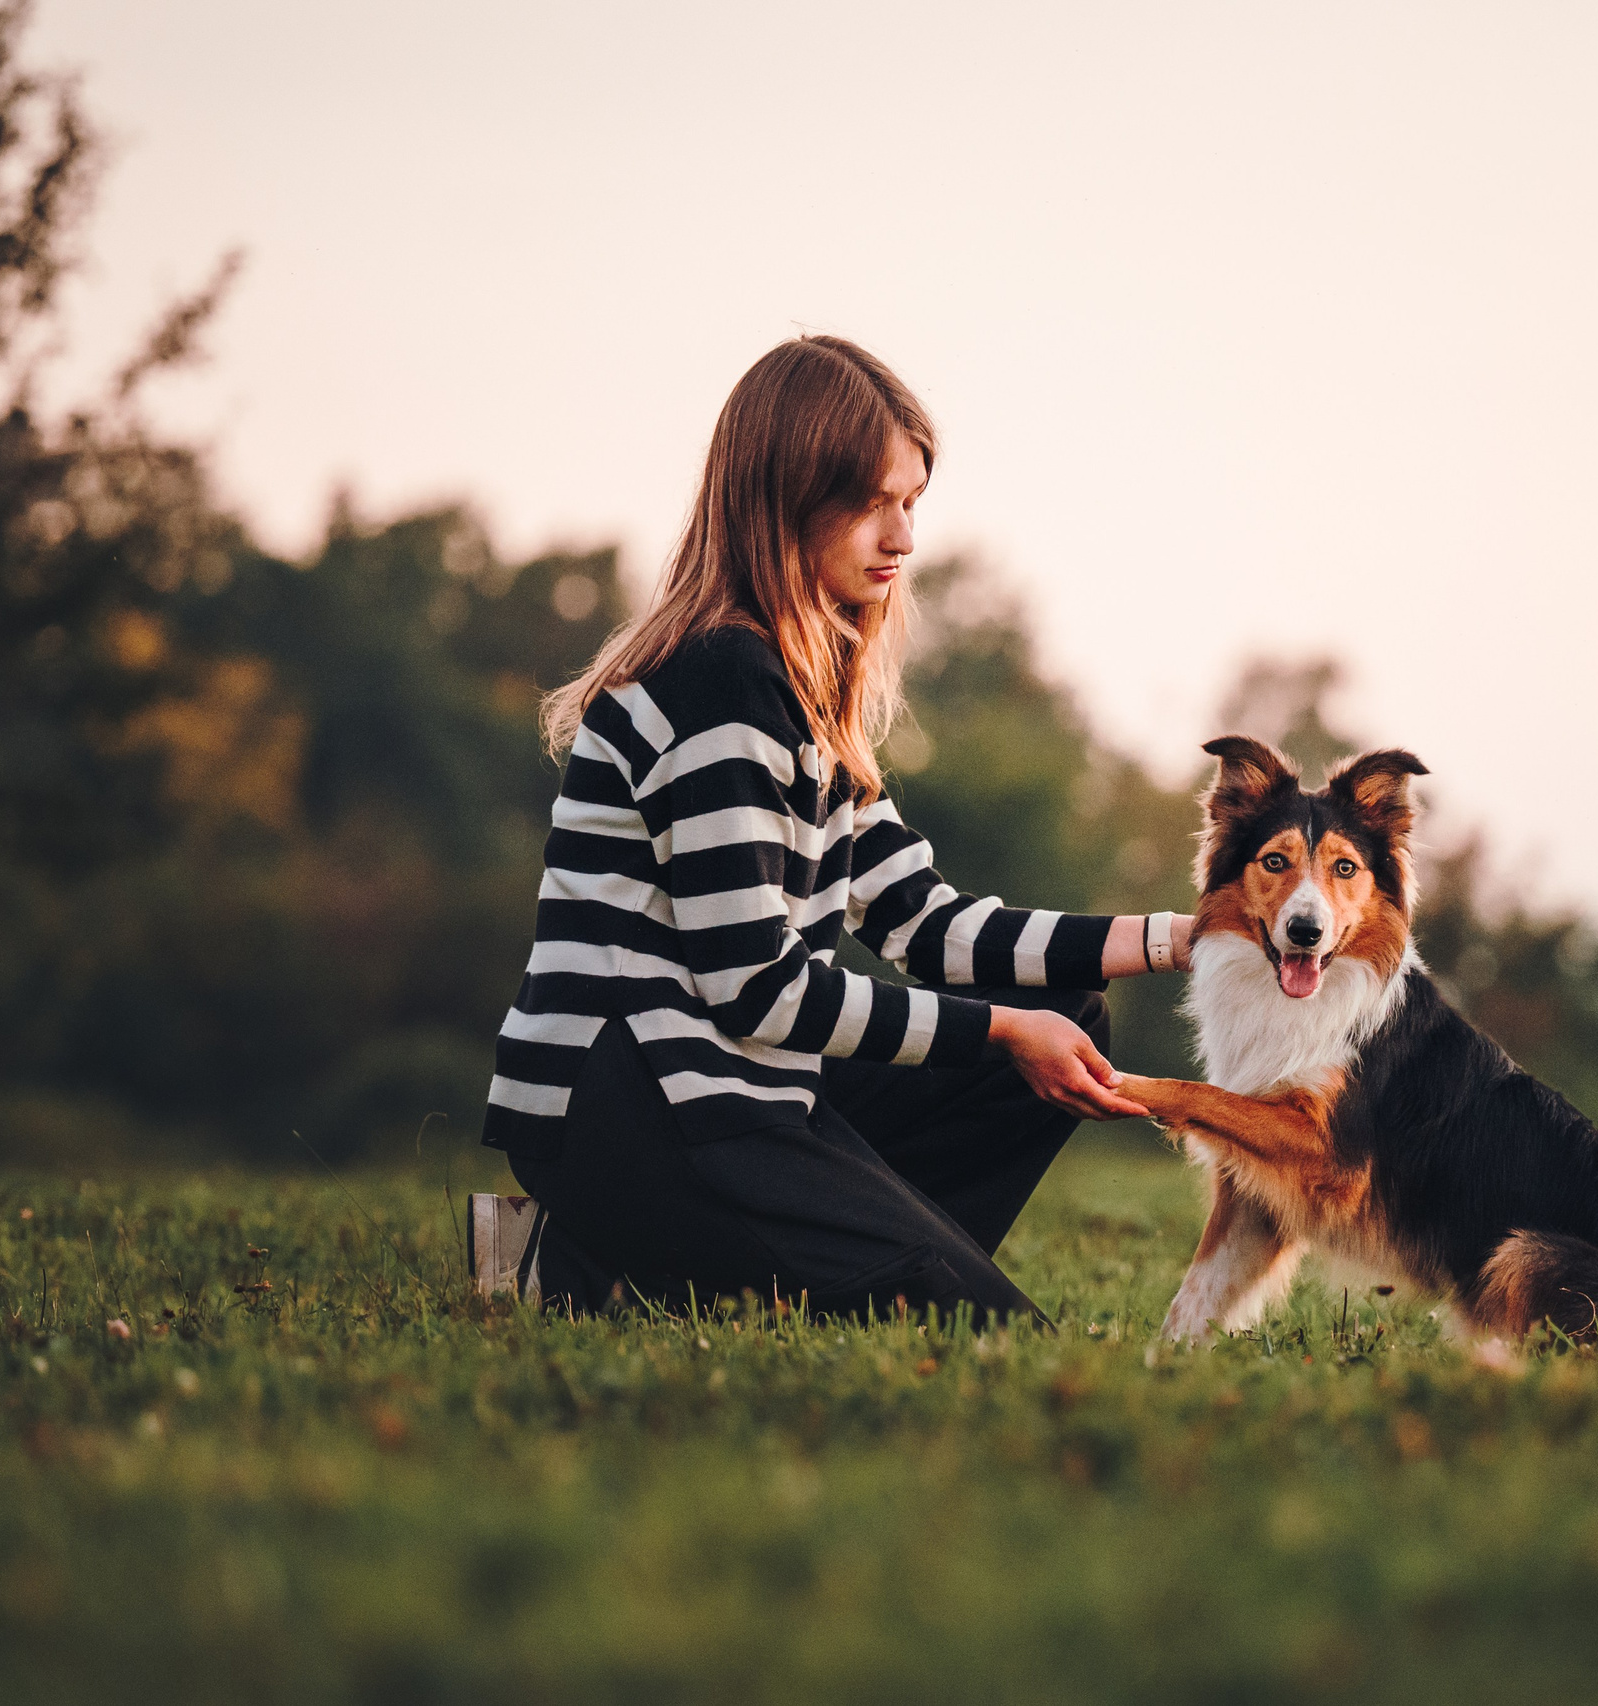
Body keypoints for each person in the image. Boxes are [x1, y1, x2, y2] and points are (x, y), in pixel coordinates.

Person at [480, 334, 1190, 1324]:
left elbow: (929, 924)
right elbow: (756, 984)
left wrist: (1189, 937)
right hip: (632, 1103)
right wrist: (999, 1028)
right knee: (982, 1327)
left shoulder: (802, 699)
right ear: (787, 497)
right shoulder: (721, 682)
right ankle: (606, 1245)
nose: (901, 536)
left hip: (736, 1083)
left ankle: (799, 1260)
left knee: (1066, 1003)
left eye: (912, 502)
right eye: (872, 502)